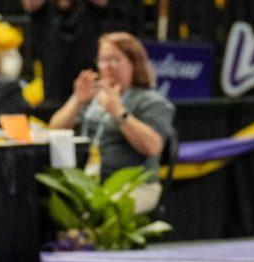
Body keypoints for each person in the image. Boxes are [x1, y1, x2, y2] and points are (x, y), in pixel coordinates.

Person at [49, 32, 174, 214]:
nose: (107, 67)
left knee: (103, 209)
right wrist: (77, 100)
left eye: (114, 60)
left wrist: (119, 113)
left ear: (133, 63)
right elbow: (55, 130)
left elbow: (153, 147)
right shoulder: (93, 99)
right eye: (102, 60)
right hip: (90, 182)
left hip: (136, 185)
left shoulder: (151, 101)